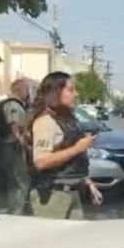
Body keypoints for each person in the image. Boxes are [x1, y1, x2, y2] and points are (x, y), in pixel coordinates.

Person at [27, 71, 102, 219]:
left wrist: (88, 183)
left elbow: (74, 161)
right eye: (70, 90)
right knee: (52, 240)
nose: (76, 94)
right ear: (56, 92)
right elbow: (41, 162)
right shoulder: (45, 122)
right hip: (52, 196)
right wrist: (77, 148)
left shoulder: (68, 121)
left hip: (73, 192)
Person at [0, 79, 31, 215]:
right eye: (27, 90)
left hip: (10, 145)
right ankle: (16, 212)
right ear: (20, 89)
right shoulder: (13, 105)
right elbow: (14, 122)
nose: (28, 93)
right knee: (20, 181)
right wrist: (19, 138)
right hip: (13, 146)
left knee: (14, 182)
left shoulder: (15, 104)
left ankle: (14, 209)